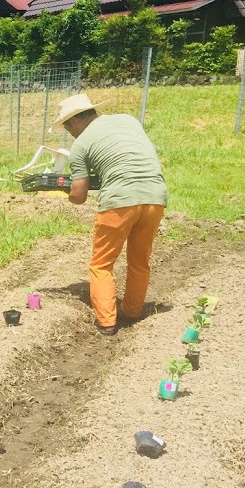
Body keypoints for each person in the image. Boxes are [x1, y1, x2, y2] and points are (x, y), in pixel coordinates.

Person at [55, 93, 168, 336]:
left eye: (67, 127)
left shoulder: (80, 145)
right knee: (139, 260)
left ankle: (106, 322)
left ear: (74, 121)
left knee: (101, 264)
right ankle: (132, 312)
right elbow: (122, 155)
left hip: (119, 200)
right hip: (155, 195)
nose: (69, 132)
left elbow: (79, 195)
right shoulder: (129, 121)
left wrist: (63, 189)